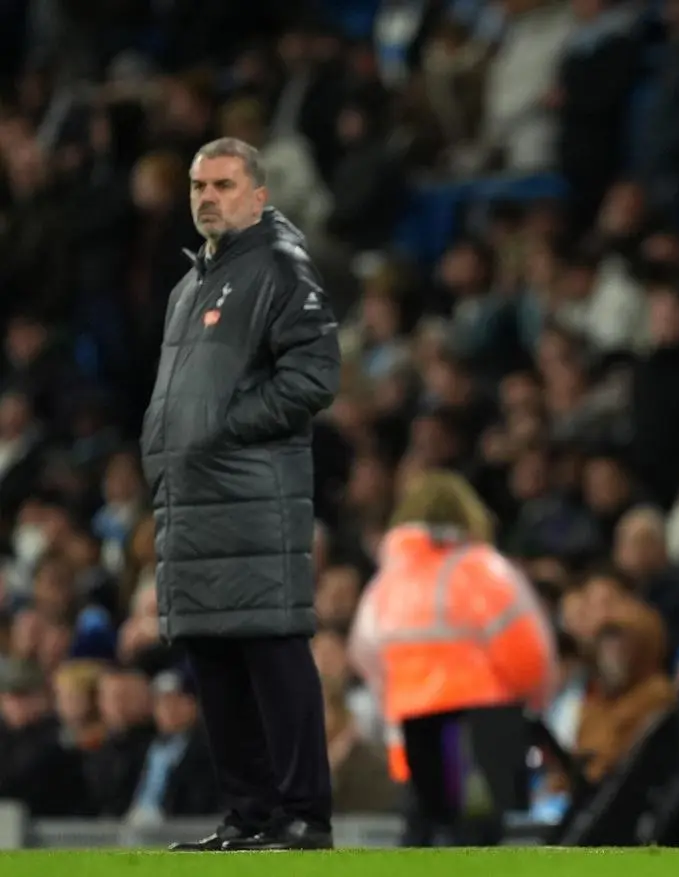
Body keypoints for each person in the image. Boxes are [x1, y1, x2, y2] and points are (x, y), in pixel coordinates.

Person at [139, 137, 342, 851]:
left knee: (271, 650)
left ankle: (302, 815)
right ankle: (248, 814)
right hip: (194, 504)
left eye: (223, 184)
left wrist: (224, 432)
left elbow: (315, 374)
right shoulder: (189, 284)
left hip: (252, 495)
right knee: (215, 658)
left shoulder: (279, 267)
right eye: (198, 185)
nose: (207, 197)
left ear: (259, 194)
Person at [348, 470, 557, 846]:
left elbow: (365, 654)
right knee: (475, 844)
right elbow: (531, 658)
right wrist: (532, 707)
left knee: (422, 839)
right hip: (480, 733)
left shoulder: (388, 583)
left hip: (414, 735)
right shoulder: (485, 571)